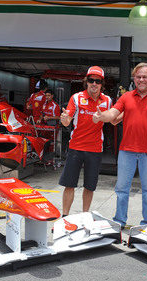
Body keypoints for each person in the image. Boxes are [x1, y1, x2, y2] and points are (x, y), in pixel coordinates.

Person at [93, 62, 147, 228]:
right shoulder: (126, 97)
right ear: (134, 79)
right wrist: (102, 116)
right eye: (138, 77)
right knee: (122, 189)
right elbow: (113, 114)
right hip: (127, 151)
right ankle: (119, 221)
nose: (141, 79)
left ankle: (146, 223)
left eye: (145, 76)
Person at [59, 66, 112, 216]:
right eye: (91, 80)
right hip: (76, 147)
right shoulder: (76, 97)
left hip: (95, 149)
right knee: (69, 185)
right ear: (86, 81)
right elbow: (67, 120)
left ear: (102, 83)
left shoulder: (107, 101)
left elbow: (113, 120)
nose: (94, 84)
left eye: (98, 81)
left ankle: (84, 216)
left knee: (90, 186)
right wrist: (64, 119)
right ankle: (65, 216)